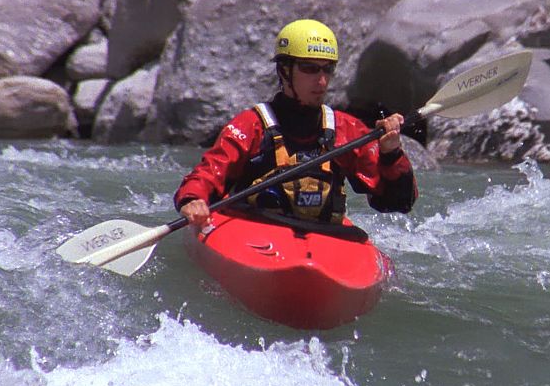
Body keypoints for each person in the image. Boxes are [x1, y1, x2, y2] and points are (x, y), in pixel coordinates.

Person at [175, 19, 417, 230]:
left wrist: (391, 154)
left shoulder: (345, 129)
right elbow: (209, 172)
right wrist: (193, 199)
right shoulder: (252, 125)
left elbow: (398, 202)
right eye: (310, 68)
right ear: (284, 70)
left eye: (328, 69)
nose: (321, 81)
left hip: (321, 238)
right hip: (254, 231)